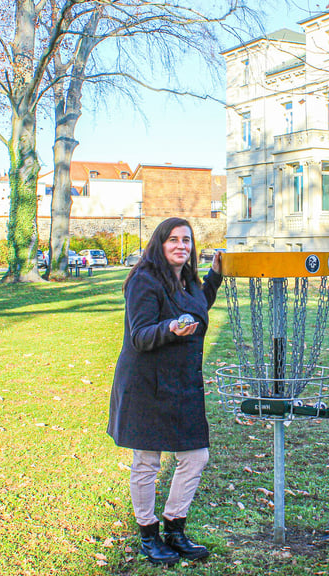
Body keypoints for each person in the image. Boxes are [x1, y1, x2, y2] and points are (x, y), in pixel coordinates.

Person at [107, 217, 223, 565]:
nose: (181, 246)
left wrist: (214, 278)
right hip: (147, 383)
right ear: (159, 244)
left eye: (186, 241)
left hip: (182, 383)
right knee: (147, 461)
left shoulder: (187, 282)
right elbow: (140, 336)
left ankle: (174, 527)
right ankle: (148, 533)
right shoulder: (144, 280)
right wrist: (171, 328)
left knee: (195, 456)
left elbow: (197, 307)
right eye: (173, 240)